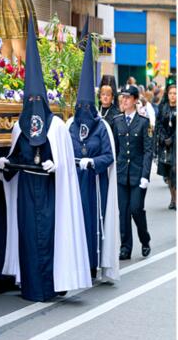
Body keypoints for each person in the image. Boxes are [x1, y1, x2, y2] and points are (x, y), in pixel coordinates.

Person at [0, 17, 91, 301]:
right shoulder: (20, 127)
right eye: (30, 101)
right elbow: (14, 160)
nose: (33, 107)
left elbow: (65, 165)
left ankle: (51, 285)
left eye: (37, 101)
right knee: (28, 236)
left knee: (49, 235)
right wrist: (5, 166)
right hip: (26, 191)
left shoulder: (57, 128)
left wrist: (57, 166)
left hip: (50, 193)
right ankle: (31, 287)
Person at [67, 40, 119, 282]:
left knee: (92, 223)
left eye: (87, 106)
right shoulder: (69, 126)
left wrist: (93, 162)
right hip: (75, 182)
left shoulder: (102, 127)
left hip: (95, 185)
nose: (84, 109)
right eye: (81, 106)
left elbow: (109, 156)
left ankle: (93, 264)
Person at [113, 85, 154, 259]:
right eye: (123, 97)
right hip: (122, 174)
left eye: (128, 98)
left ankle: (145, 240)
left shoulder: (144, 122)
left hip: (138, 175)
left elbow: (148, 151)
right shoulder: (117, 121)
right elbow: (115, 148)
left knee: (136, 209)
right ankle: (125, 247)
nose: (124, 100)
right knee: (123, 212)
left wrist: (146, 175)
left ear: (136, 100)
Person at [156, 79, 177, 209]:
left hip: (176, 144)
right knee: (169, 174)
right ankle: (173, 198)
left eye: (175, 93)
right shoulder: (163, 107)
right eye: (171, 93)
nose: (173, 95)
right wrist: (164, 138)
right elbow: (158, 124)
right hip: (165, 145)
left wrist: (173, 138)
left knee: (176, 170)